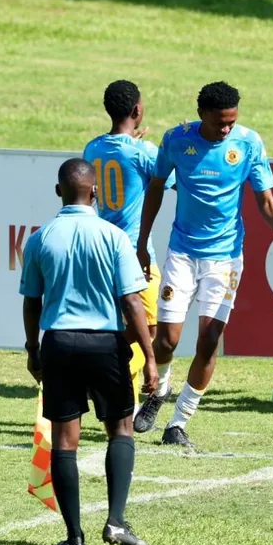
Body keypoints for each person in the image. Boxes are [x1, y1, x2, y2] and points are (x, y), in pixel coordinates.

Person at [132, 81, 273, 448]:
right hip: (182, 253)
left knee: (209, 339)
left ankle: (179, 423)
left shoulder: (248, 143)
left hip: (225, 259)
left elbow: (265, 199)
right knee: (168, 339)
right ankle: (159, 391)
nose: (226, 130)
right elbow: (156, 187)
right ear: (202, 114)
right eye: (220, 123)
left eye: (231, 122)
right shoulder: (176, 140)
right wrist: (142, 242)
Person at [21, 158, 157, 545]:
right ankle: (115, 521)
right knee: (121, 429)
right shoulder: (114, 237)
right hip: (106, 344)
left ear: (58, 191)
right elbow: (131, 302)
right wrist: (149, 357)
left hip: (59, 343)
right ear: (94, 191)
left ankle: (74, 538)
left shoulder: (41, 238)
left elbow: (32, 302)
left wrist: (33, 350)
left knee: (65, 441)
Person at [83, 80, 175, 414]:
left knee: (123, 327)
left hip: (102, 247)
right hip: (135, 252)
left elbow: (119, 161)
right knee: (150, 329)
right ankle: (104, 377)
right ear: (137, 110)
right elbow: (170, 179)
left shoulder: (92, 148)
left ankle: (108, 379)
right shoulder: (144, 152)